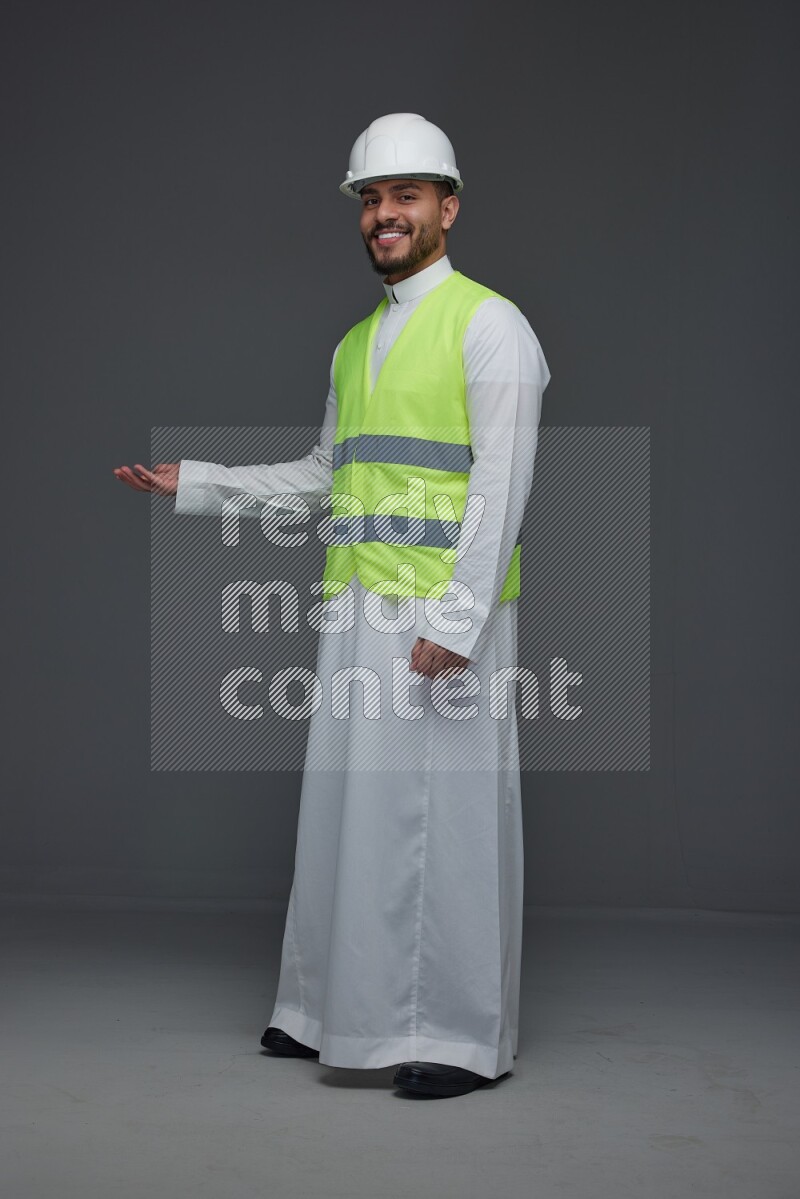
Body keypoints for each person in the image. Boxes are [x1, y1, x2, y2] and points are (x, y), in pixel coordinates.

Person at [114, 112, 551, 1099]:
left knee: (444, 824)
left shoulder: (491, 325)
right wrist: (201, 482)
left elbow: (502, 484)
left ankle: (458, 1036)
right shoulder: (355, 344)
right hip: (356, 606)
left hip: (439, 616)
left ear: (447, 206)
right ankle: (325, 1012)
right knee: (347, 814)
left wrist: (458, 621)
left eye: (405, 196)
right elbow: (324, 475)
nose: (384, 214)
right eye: (371, 198)